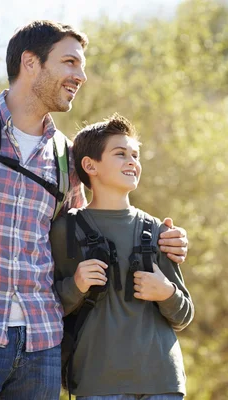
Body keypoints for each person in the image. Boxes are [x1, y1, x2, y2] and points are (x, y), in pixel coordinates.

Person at [0, 20, 187, 399]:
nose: (80, 76)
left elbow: (85, 239)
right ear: (30, 62)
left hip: (43, 345)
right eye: (69, 62)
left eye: (81, 66)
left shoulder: (66, 156)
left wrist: (165, 239)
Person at [51, 113, 194, 400]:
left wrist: (165, 292)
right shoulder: (65, 228)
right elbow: (47, 307)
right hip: (98, 382)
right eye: (120, 154)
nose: (133, 162)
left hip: (163, 381)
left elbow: (184, 315)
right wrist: (75, 286)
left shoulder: (158, 231)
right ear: (90, 165)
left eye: (135, 155)